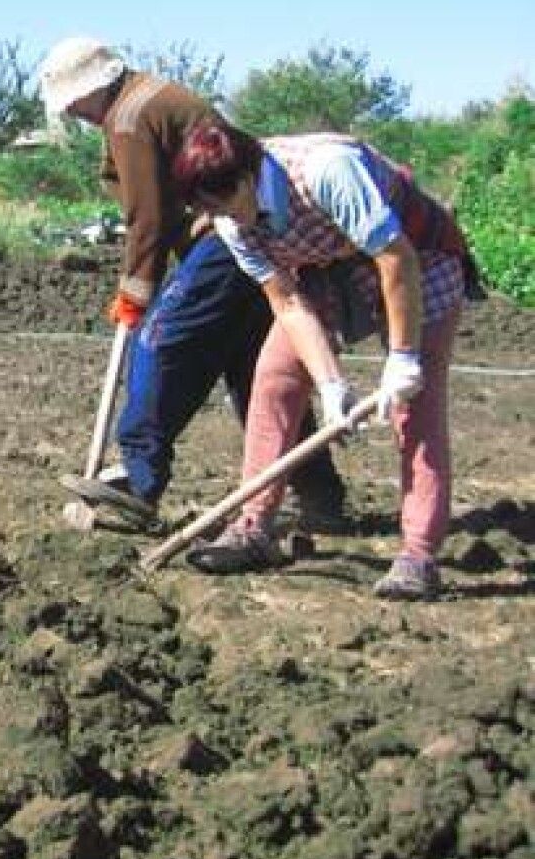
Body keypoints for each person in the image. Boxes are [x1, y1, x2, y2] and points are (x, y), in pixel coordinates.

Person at [37, 37, 345, 528]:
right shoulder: (146, 99)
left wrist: (135, 292)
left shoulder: (128, 117)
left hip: (225, 238)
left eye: (74, 102)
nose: (74, 112)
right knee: (251, 365)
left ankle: (139, 485)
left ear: (95, 86)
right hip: (246, 230)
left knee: (161, 341)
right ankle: (319, 493)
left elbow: (148, 218)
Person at [170, 121, 481, 599]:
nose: (216, 218)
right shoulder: (232, 221)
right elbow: (288, 302)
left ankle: (418, 555)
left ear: (247, 180)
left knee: (414, 406)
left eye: (218, 204)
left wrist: (403, 358)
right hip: (329, 270)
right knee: (274, 376)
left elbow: (395, 259)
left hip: (418, 263)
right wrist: (331, 384)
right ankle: (252, 524)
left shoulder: (329, 171)